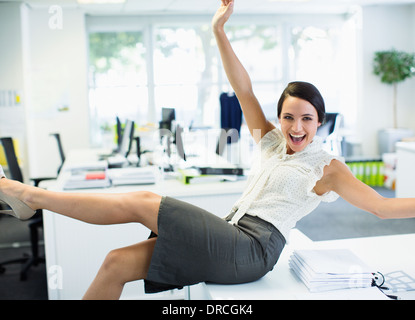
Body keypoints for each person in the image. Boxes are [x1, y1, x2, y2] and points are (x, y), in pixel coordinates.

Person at [1, 0, 414, 300]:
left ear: (318, 123)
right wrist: (218, 32)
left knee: (146, 200)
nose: (296, 126)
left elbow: (383, 207)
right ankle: (31, 198)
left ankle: (31, 197)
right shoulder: (271, 142)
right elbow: (244, 89)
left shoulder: (328, 167)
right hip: (231, 229)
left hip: (255, 249)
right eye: (288, 117)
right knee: (115, 262)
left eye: (306, 118)